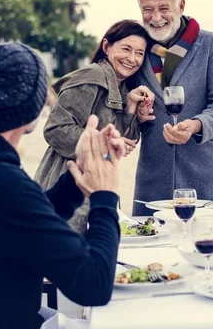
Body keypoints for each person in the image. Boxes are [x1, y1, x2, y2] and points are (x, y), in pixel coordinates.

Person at [0, 43, 124, 329]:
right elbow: (93, 285)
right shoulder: (2, 182)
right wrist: (105, 197)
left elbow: (17, 219)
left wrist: (76, 178)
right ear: (32, 112)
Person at [130, 0, 213, 216]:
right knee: (150, 253)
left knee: (207, 252)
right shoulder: (137, 48)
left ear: (181, 5)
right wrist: (135, 112)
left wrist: (196, 125)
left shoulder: (212, 44)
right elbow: (127, 104)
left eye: (164, 8)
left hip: (206, 179)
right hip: (152, 182)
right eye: (147, 9)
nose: (155, 17)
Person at [35, 20, 154, 233]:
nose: (132, 59)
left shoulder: (122, 86)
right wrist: (105, 143)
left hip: (97, 186)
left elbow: (122, 139)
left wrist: (132, 109)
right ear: (107, 47)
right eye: (126, 49)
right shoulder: (91, 77)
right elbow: (55, 128)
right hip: (65, 184)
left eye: (139, 53)